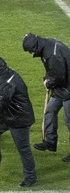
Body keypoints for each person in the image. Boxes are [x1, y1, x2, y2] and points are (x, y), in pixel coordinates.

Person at [0, 55, 37, 188]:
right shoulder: (6, 73)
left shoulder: (7, 81)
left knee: (23, 148)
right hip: (10, 114)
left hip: (19, 119)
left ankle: (30, 177)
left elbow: (2, 100)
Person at [23, 33, 70, 162]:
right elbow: (54, 71)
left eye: (31, 50)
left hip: (67, 88)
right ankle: (50, 141)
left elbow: (59, 75)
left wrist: (49, 82)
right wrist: (48, 78)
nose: (32, 53)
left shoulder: (52, 53)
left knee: (69, 120)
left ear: (35, 47)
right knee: (50, 111)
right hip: (61, 88)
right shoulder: (48, 46)